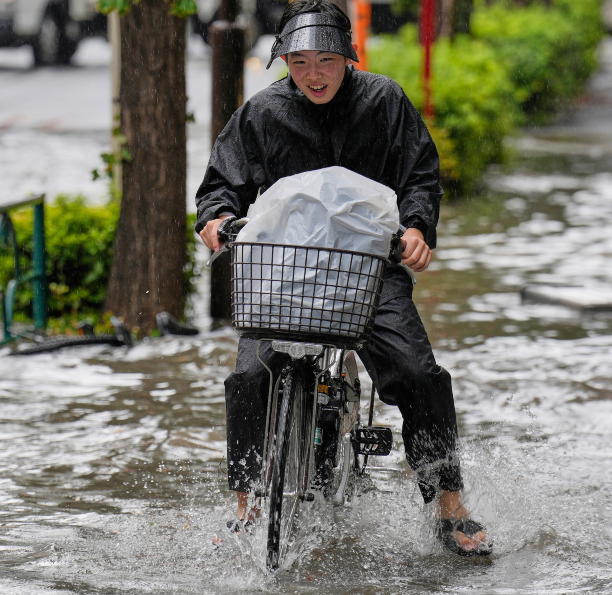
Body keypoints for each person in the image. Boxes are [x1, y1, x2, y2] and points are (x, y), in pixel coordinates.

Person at [194, 0, 491, 557]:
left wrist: (418, 229)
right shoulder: (261, 113)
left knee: (418, 373)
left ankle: (450, 501)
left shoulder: (385, 101)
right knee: (250, 378)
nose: (314, 73)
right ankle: (247, 505)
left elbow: (419, 175)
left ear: (347, 58)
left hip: (367, 271)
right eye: (299, 61)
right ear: (283, 61)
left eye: (326, 59)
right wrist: (215, 220)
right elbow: (220, 185)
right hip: (284, 276)